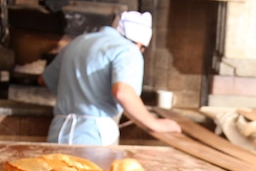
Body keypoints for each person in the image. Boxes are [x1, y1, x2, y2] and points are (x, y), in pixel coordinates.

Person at [39, 10, 181, 145]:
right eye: (142, 48)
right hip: (95, 137)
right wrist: (154, 123)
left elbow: (44, 80)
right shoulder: (127, 49)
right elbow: (123, 92)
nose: (141, 51)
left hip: (58, 132)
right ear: (139, 43)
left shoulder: (77, 42)